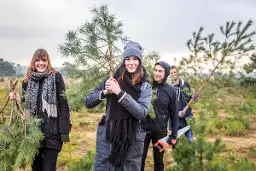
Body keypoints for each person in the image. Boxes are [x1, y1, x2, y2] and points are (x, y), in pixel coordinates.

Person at [85, 41, 152, 171]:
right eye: (127, 59)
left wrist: (119, 93)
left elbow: (141, 112)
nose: (131, 62)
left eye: (135, 59)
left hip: (131, 138)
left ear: (140, 61)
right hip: (108, 136)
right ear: (123, 61)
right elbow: (88, 102)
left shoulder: (145, 86)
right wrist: (105, 92)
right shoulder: (112, 79)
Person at [10, 49, 71, 171]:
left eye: (44, 60)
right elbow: (24, 105)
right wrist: (16, 98)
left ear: (48, 61)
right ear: (33, 62)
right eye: (37, 60)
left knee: (49, 168)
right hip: (33, 134)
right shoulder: (27, 81)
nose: (40, 63)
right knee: (36, 167)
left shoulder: (56, 77)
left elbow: (63, 105)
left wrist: (64, 132)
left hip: (53, 133)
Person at [141, 61, 179, 171]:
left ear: (166, 73)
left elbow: (174, 114)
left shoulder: (171, 91)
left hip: (160, 131)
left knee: (159, 161)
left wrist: (174, 135)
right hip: (143, 129)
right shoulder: (147, 86)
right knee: (140, 159)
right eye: (155, 70)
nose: (157, 73)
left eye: (160, 71)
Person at [169, 65, 198, 143]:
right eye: (171, 73)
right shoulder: (169, 88)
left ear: (178, 72)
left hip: (187, 117)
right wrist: (176, 113)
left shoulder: (185, 84)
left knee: (189, 140)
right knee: (176, 143)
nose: (173, 74)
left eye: (175, 72)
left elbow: (190, 98)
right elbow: (167, 105)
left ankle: (191, 155)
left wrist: (194, 98)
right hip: (175, 120)